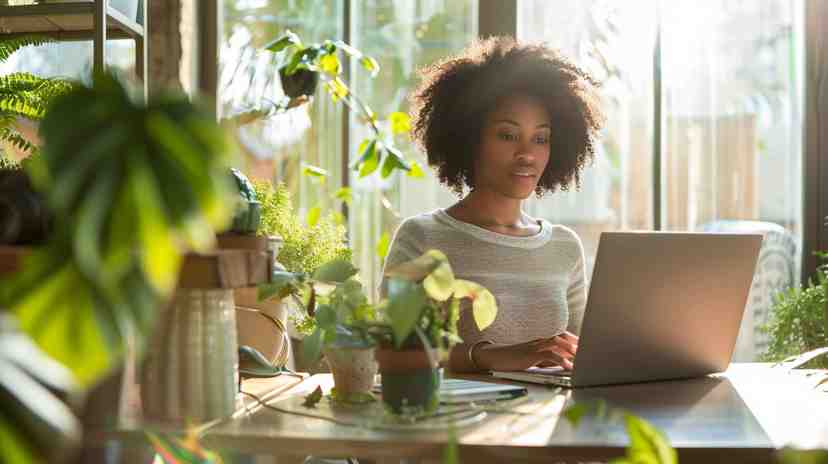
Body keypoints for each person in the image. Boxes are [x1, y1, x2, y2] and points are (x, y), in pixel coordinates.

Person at [381, 36, 605, 373]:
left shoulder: (564, 246)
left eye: (541, 138)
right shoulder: (421, 237)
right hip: (461, 420)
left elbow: (583, 355)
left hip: (550, 420)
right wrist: (486, 356)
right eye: (507, 135)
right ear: (469, 137)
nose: (527, 154)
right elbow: (389, 353)